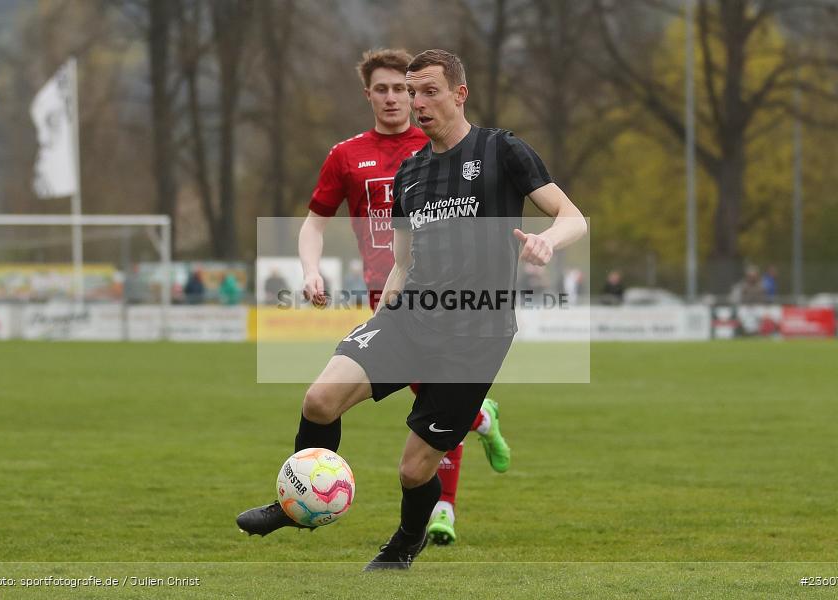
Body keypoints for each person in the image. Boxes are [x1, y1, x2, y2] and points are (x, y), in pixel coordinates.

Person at [237, 49, 587, 571]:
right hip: (410, 318)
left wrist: (548, 242)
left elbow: (571, 215)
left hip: (475, 337)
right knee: (319, 400)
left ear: (458, 93)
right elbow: (402, 265)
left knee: (412, 471)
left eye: (428, 91)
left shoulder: (502, 149)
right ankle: (296, 502)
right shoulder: (412, 173)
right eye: (411, 90)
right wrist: (380, 324)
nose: (416, 102)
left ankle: (405, 541)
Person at [293, 48, 507, 546]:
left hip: (441, 307)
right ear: (368, 94)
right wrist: (310, 270)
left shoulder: (439, 142)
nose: (396, 99)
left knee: (429, 413)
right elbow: (314, 222)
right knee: (414, 401)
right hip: (387, 301)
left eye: (403, 90)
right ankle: (481, 417)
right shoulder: (346, 154)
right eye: (384, 89)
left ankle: (444, 509)